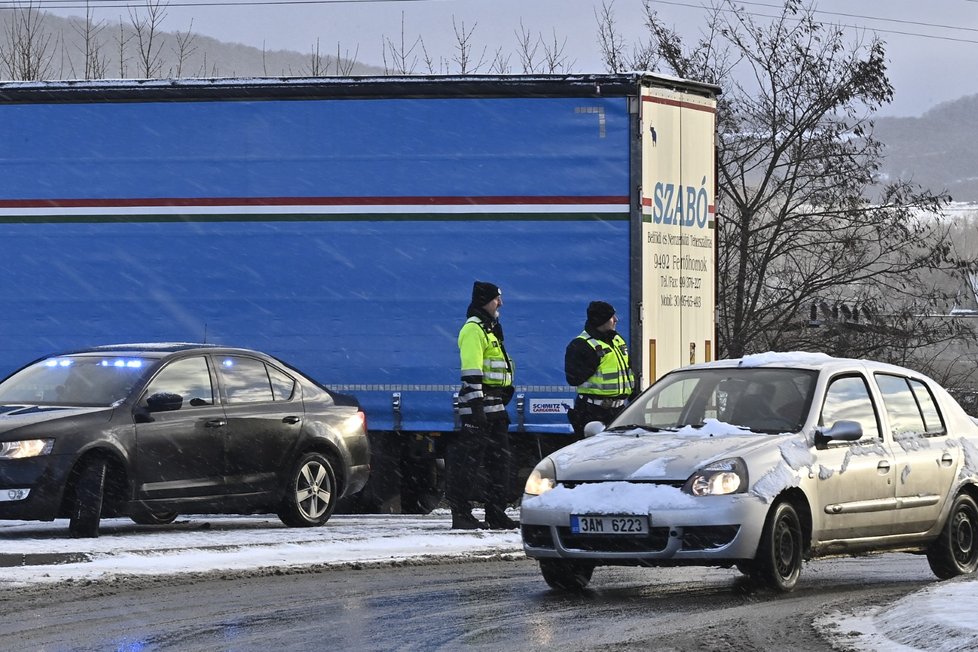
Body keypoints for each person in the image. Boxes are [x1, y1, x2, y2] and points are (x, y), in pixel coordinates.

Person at [447, 280, 518, 530]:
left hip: (494, 406)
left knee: (501, 464)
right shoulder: (473, 329)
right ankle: (461, 514)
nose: (501, 303)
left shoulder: (490, 329)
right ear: (484, 300)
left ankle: (496, 512)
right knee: (469, 464)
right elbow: (471, 371)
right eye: (497, 298)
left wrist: (506, 388)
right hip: (479, 408)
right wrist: (477, 407)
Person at [564, 301, 635, 438]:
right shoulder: (581, 345)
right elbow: (573, 378)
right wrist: (593, 359)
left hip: (619, 411)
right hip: (593, 411)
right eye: (611, 317)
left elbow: (628, 372)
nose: (616, 320)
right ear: (601, 320)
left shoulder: (617, 340)